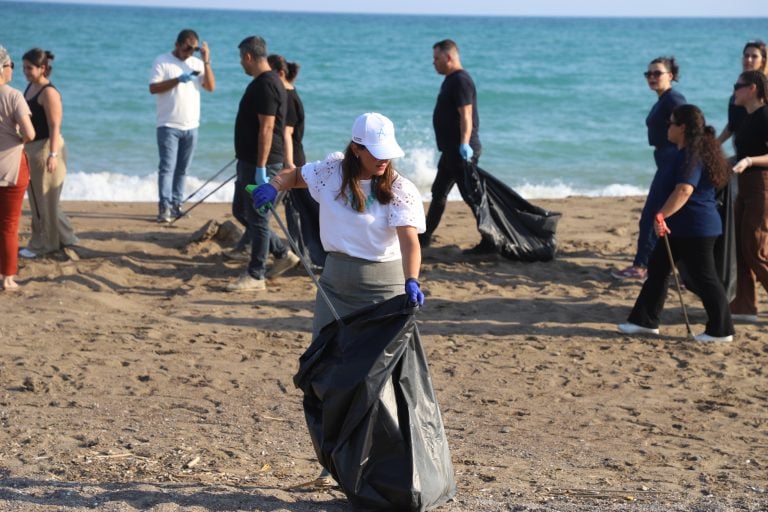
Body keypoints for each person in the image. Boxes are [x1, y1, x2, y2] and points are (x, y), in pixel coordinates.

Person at [251, 112, 425, 486]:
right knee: (327, 373)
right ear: (356, 148)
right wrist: (273, 185)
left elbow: (410, 240)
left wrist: (411, 280)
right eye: (376, 152)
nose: (383, 160)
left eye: (387, 153)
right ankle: (334, 462)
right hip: (334, 285)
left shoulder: (399, 189)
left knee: (379, 380)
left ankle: (385, 463)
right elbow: (294, 175)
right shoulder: (329, 173)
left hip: (384, 288)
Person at [618, 104, 735, 343]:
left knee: (706, 277)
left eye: (670, 123)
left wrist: (661, 214)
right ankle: (644, 322)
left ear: (682, 128)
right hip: (681, 227)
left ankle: (721, 330)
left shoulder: (693, 154)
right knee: (658, 269)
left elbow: (684, 190)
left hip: (696, 227)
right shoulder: (687, 151)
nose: (667, 127)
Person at [226, 35, 299, 292]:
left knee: (257, 218)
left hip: (263, 164)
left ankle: (256, 275)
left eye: (241, 59)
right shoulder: (265, 82)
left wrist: (260, 168)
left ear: (248, 56)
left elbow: (267, 128)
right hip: (248, 160)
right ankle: (281, 253)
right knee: (242, 211)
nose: (241, 64)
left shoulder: (266, 85)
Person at [612, 56, 687, 280]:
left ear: (671, 76)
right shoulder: (664, 98)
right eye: (649, 74)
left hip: (671, 158)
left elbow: (691, 125)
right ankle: (663, 265)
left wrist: (685, 159)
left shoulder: (674, 99)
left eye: (657, 73)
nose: (652, 78)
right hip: (665, 158)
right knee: (666, 215)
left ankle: (641, 267)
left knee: (652, 215)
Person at [420, 39, 491, 254]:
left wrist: (464, 145)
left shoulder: (461, 80)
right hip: (451, 151)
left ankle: (489, 241)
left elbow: (466, 115)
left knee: (472, 196)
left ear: (449, 57)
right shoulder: (450, 80)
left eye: (436, 58)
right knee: (439, 191)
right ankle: (425, 236)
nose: (433, 63)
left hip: (461, 151)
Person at [149, 29, 215, 223]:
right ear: (177, 44)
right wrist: (177, 80)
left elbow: (210, 87)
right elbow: (153, 88)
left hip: (191, 125)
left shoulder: (196, 63)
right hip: (168, 124)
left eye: (193, 50)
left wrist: (206, 61)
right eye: (187, 49)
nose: (189, 53)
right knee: (167, 167)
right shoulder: (162, 61)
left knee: (183, 169)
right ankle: (164, 206)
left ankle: (177, 204)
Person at [19, 48, 77, 259]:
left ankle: (44, 244)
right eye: (24, 67)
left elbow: (55, 126)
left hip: (47, 149)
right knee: (41, 201)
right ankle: (68, 239)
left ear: (42, 68)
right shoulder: (31, 87)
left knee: (44, 202)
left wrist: (52, 155)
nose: (25, 71)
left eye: (29, 68)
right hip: (32, 149)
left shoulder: (49, 92)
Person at [729, 70, 768, 322]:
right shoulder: (748, 117)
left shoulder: (765, 115)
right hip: (744, 185)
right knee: (739, 246)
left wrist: (748, 160)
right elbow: (744, 152)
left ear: (752, 88)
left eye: (737, 86)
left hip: (762, 185)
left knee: (755, 247)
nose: (734, 91)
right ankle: (744, 306)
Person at [0, 46, 35, 290]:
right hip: (10, 167)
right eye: (10, 65)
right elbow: (30, 133)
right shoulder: (13, 95)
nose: (12, 69)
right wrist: (19, 138)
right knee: (9, 225)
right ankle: (7, 277)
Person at [717, 40, 768, 148]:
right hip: (742, 153)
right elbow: (732, 124)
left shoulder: (765, 90)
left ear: (763, 61)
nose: (748, 59)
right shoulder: (741, 86)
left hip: (759, 157)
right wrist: (715, 145)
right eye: (746, 55)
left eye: (754, 56)